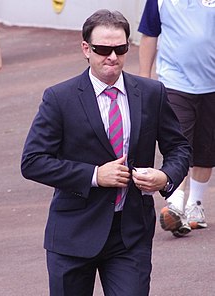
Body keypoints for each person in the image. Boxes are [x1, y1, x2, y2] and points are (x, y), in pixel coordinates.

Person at [21, 9, 191, 296]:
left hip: (130, 234)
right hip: (73, 235)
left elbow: (179, 148)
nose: (112, 56)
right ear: (86, 49)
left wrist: (165, 177)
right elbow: (33, 161)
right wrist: (95, 175)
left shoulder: (152, 93)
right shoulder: (59, 98)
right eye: (103, 49)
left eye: (120, 48)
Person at [138, 0, 215, 237]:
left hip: (211, 85)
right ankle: (176, 204)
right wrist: (144, 78)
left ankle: (195, 205)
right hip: (175, 82)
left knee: (207, 147)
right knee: (178, 143)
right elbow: (149, 36)